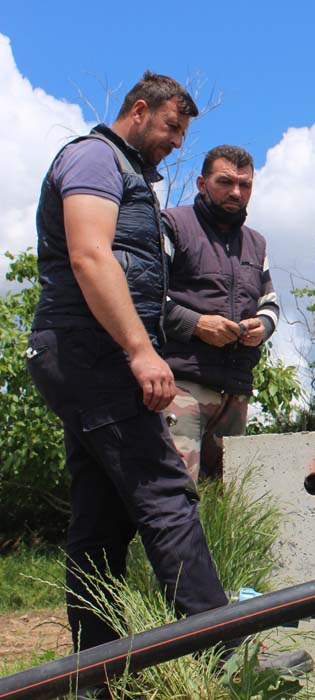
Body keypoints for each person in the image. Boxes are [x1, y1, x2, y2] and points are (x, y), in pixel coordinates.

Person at [25, 72, 233, 661]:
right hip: (93, 352)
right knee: (165, 490)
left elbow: (136, 283)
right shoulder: (94, 159)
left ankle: (100, 670)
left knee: (102, 515)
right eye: (170, 128)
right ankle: (226, 650)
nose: (174, 142)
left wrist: (180, 329)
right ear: (138, 111)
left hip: (85, 352)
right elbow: (91, 256)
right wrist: (141, 352)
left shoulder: (130, 178)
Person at [161, 145, 280, 481]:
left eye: (245, 185)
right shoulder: (172, 225)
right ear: (202, 183)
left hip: (236, 391)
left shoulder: (256, 243)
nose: (236, 192)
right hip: (180, 386)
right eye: (225, 182)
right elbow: (145, 296)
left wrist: (263, 326)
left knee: (226, 501)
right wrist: (196, 324)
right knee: (176, 493)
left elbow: (270, 302)